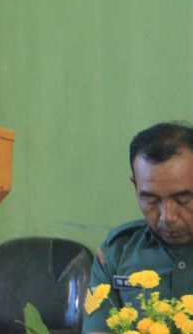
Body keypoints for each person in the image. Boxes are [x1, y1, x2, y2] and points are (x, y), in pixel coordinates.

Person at [82, 121, 193, 333]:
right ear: (135, 186)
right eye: (151, 199)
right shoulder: (117, 252)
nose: (167, 217)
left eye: (183, 199)